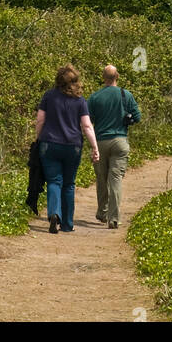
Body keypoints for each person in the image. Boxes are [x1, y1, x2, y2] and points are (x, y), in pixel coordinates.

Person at [35, 64, 100, 234]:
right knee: (69, 184)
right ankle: (67, 223)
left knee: (54, 181)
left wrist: (38, 138)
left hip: (50, 144)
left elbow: (40, 119)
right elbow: (86, 125)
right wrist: (95, 147)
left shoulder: (49, 96)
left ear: (58, 80)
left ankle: (54, 213)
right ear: (75, 81)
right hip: (73, 146)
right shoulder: (80, 100)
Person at [87, 64, 141, 230]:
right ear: (117, 76)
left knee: (101, 178)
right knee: (115, 180)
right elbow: (137, 117)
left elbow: (88, 120)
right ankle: (114, 218)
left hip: (101, 141)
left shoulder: (95, 97)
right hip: (120, 141)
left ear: (103, 77)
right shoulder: (126, 95)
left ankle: (102, 212)